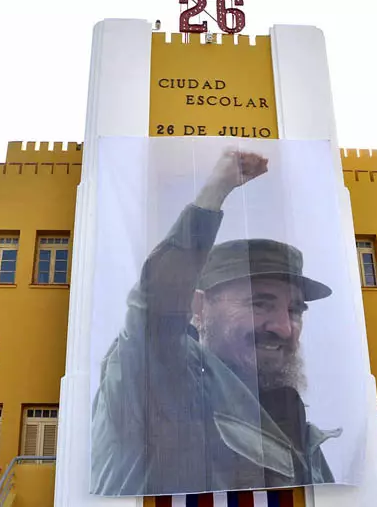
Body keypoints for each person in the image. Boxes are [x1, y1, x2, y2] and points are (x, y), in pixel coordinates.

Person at [90, 148, 339, 496]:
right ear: (199, 307)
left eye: (295, 310)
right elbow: (155, 311)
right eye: (259, 303)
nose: (283, 327)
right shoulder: (161, 377)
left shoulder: (295, 427)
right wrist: (213, 195)